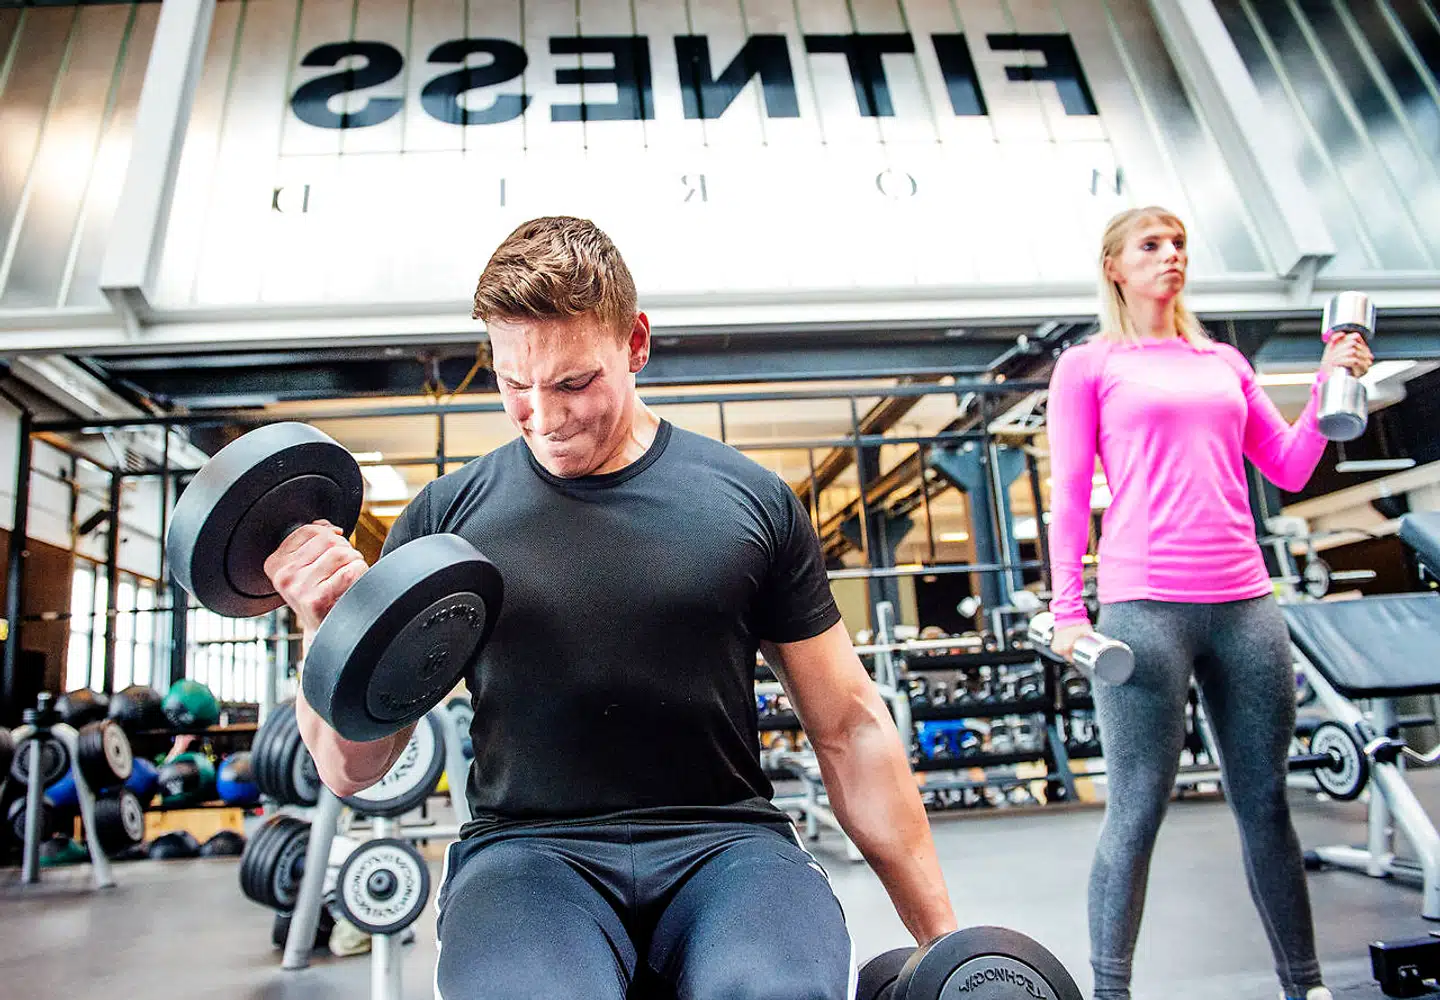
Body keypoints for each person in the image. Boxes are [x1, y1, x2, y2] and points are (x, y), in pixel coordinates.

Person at [266, 216, 958, 999]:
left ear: (635, 345)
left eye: (572, 383)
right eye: (513, 385)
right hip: (528, 853)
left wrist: (947, 946)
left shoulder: (750, 500)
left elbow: (850, 726)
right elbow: (352, 767)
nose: (545, 416)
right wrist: (324, 621)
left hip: (726, 844)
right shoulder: (442, 521)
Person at [1046, 206, 1372, 1000]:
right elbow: (1070, 494)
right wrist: (1067, 611)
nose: (1171, 257)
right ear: (1116, 266)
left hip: (1245, 601)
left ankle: (1307, 985)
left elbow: (1290, 469)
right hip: (1144, 607)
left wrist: (1339, 378)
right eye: (1152, 246)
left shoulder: (1223, 360)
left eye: (1180, 244)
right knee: (1136, 810)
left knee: (1266, 804)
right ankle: (1111, 992)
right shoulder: (1089, 365)